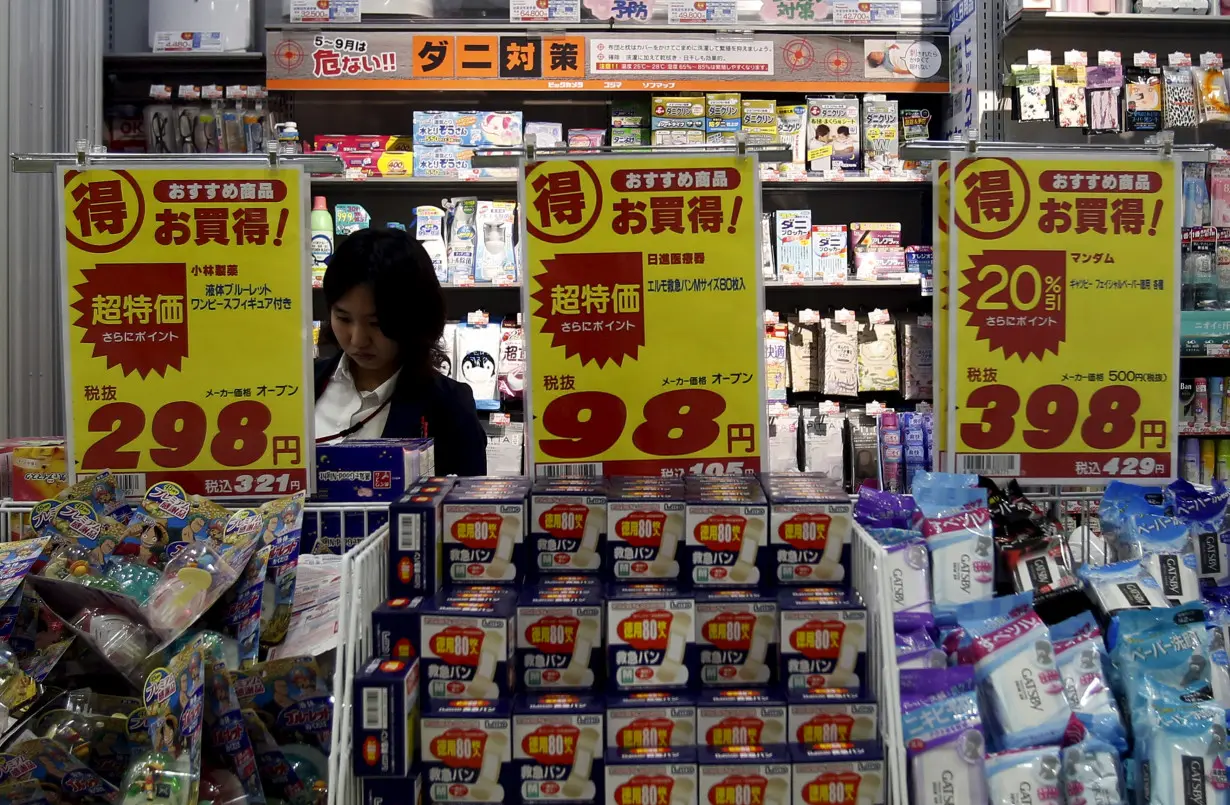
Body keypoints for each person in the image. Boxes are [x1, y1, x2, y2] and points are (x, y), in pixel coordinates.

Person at [314, 228, 486, 476]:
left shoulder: (449, 407)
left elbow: (468, 509)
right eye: (343, 318)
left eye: (376, 323)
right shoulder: (301, 387)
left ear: (416, 318)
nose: (357, 340)